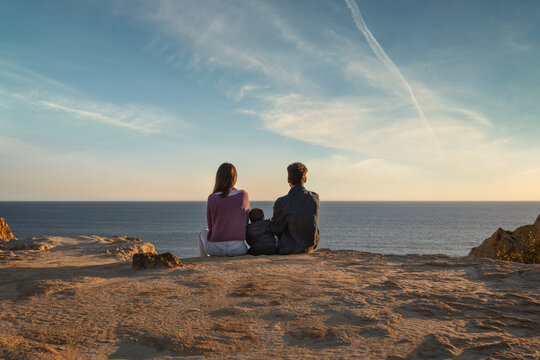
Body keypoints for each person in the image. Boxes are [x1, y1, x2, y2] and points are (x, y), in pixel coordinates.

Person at [198, 163, 249, 257]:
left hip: (216, 249)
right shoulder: (243, 194)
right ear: (234, 178)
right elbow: (245, 222)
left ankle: (202, 260)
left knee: (202, 232)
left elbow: (211, 227)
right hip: (238, 249)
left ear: (219, 178)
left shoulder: (212, 197)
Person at [272, 162, 320, 254]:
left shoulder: (281, 201)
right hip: (310, 246)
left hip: (288, 247)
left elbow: (275, 226)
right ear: (305, 179)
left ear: (288, 180)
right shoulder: (315, 197)